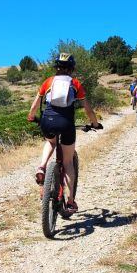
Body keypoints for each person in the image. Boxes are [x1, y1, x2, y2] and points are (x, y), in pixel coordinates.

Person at [27, 53, 102, 213]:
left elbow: (35, 104)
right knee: (68, 163)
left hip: (48, 120)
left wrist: (32, 116)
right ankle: (70, 201)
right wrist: (95, 123)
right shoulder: (75, 83)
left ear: (57, 68)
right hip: (66, 122)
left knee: (51, 142)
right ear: (71, 69)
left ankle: (41, 167)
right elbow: (87, 108)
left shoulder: (48, 81)